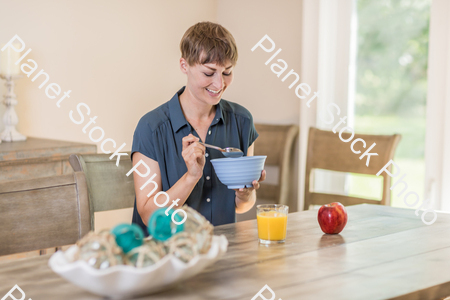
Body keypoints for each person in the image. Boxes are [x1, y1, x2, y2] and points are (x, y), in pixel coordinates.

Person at [131, 21, 266, 235]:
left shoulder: (242, 121)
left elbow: (242, 206)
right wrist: (191, 177)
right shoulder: (151, 128)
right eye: (209, 72)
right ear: (184, 66)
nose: (219, 84)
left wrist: (245, 194)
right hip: (165, 256)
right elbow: (149, 215)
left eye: (227, 72)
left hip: (219, 253)